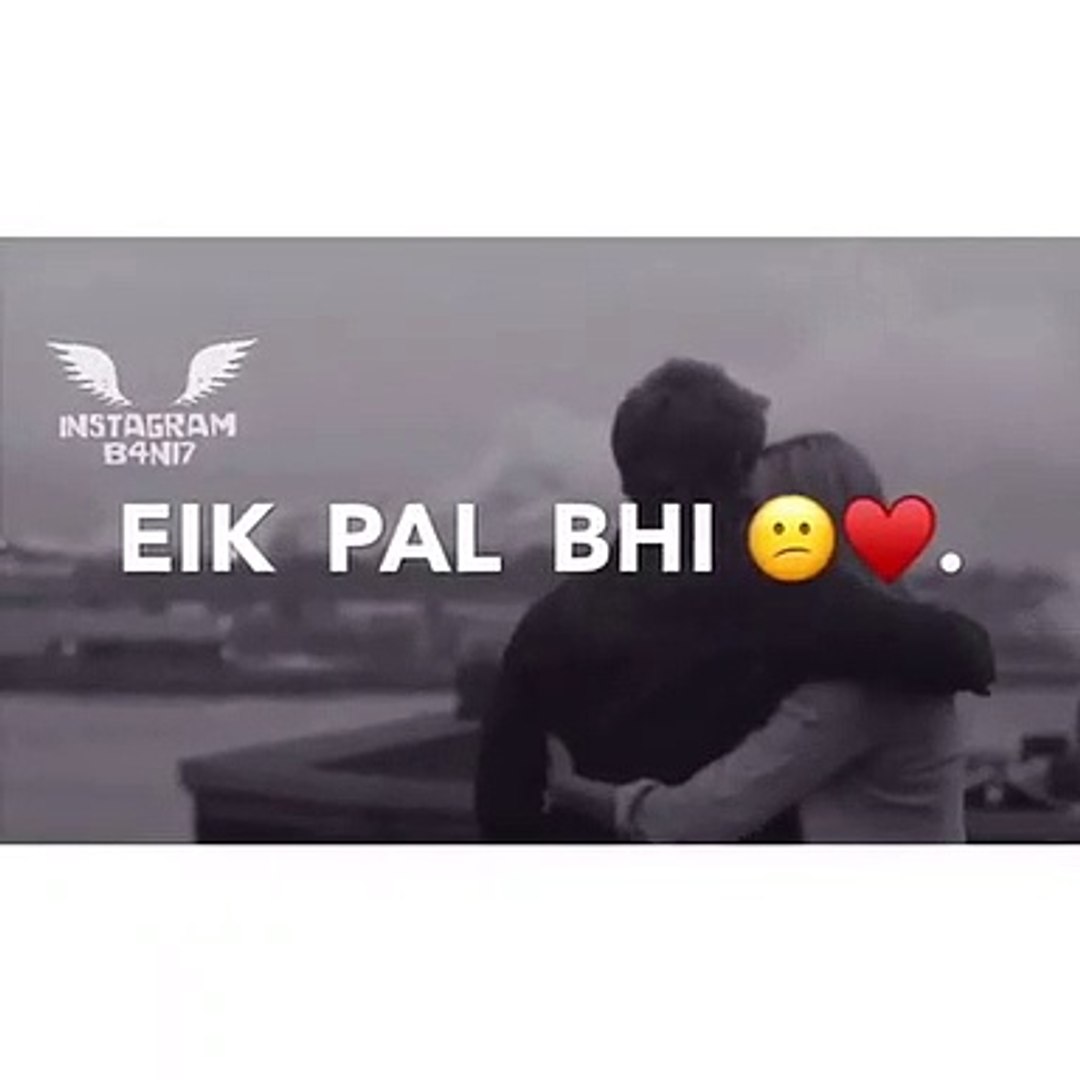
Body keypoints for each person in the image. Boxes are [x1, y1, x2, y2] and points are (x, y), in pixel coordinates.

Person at [474, 360, 994, 842]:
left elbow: (502, 808)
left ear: (625, 469)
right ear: (742, 464)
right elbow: (953, 652)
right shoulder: (788, 598)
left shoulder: (550, 625)